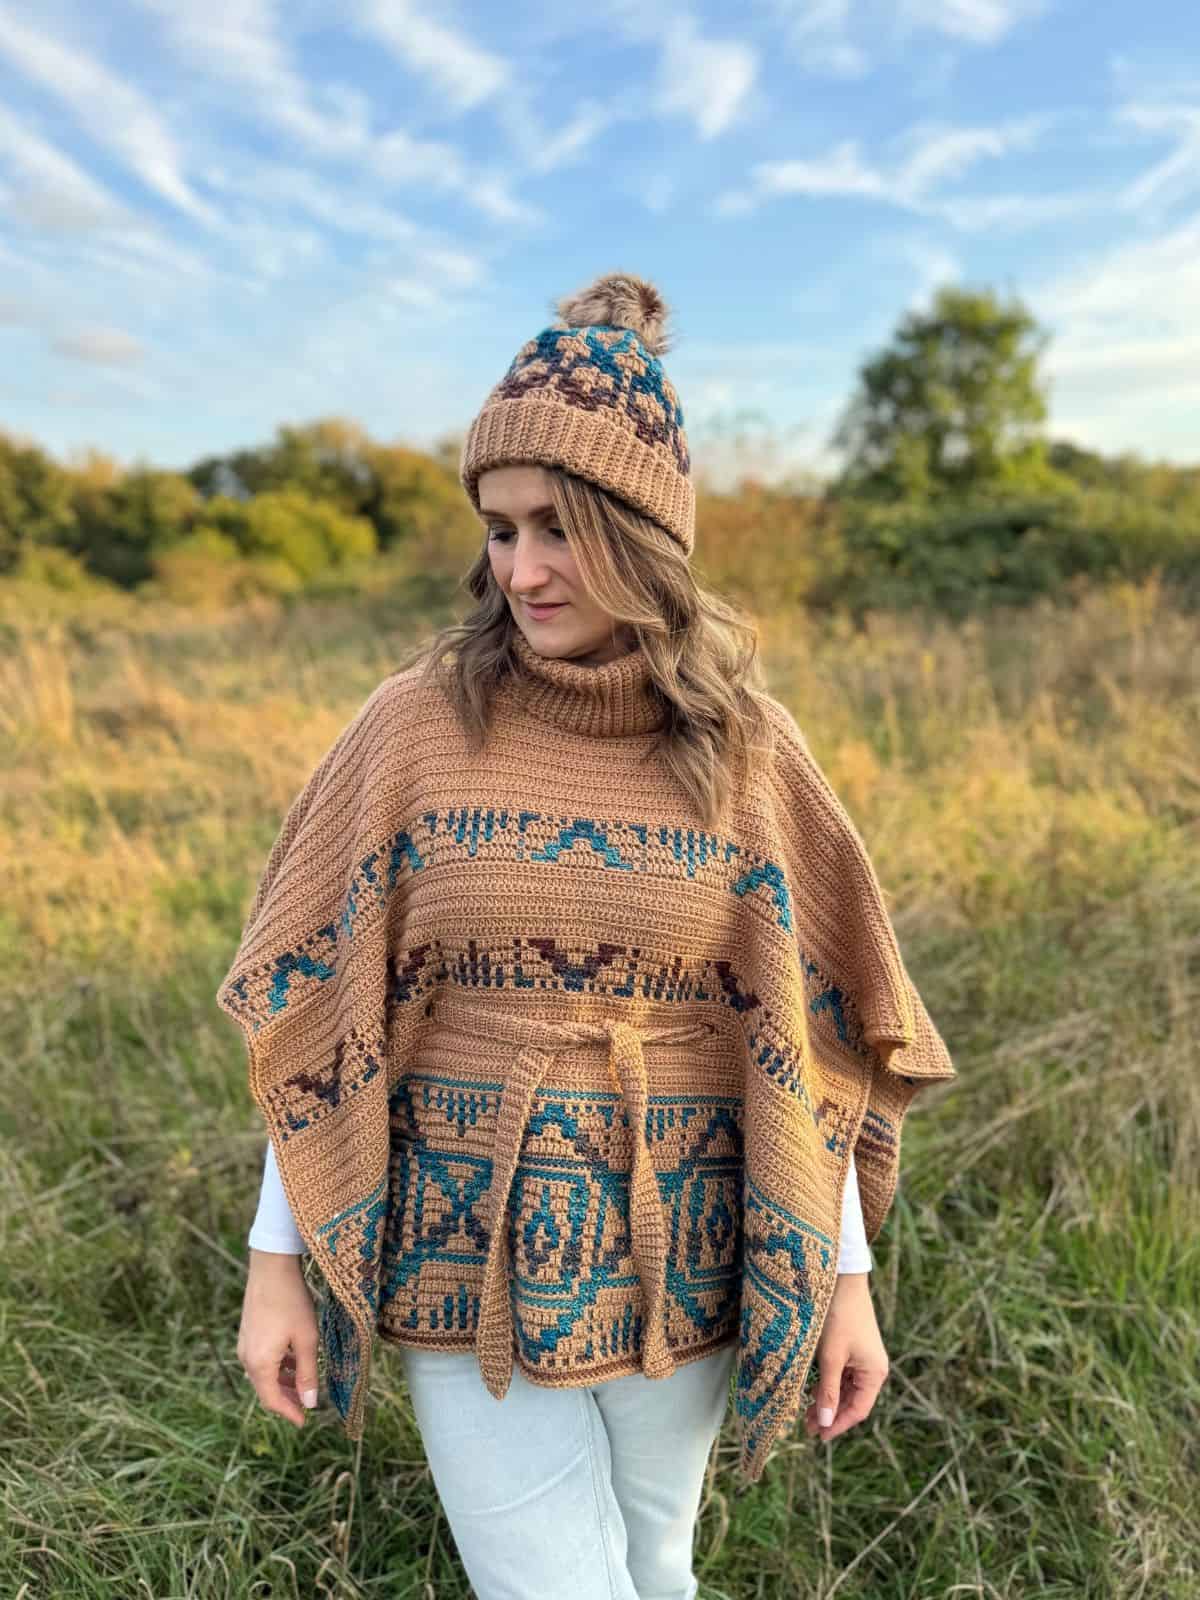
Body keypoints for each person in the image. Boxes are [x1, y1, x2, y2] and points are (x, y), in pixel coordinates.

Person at [221, 272, 956, 1600]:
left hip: (688, 1255)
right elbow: (330, 1007)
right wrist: (277, 1259)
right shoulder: (414, 728)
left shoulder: (744, 753)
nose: (524, 570)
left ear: (644, 533)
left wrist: (845, 1279)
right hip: (466, 1246)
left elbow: (809, 1035)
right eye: (500, 530)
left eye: (560, 527)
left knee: (655, 1568)